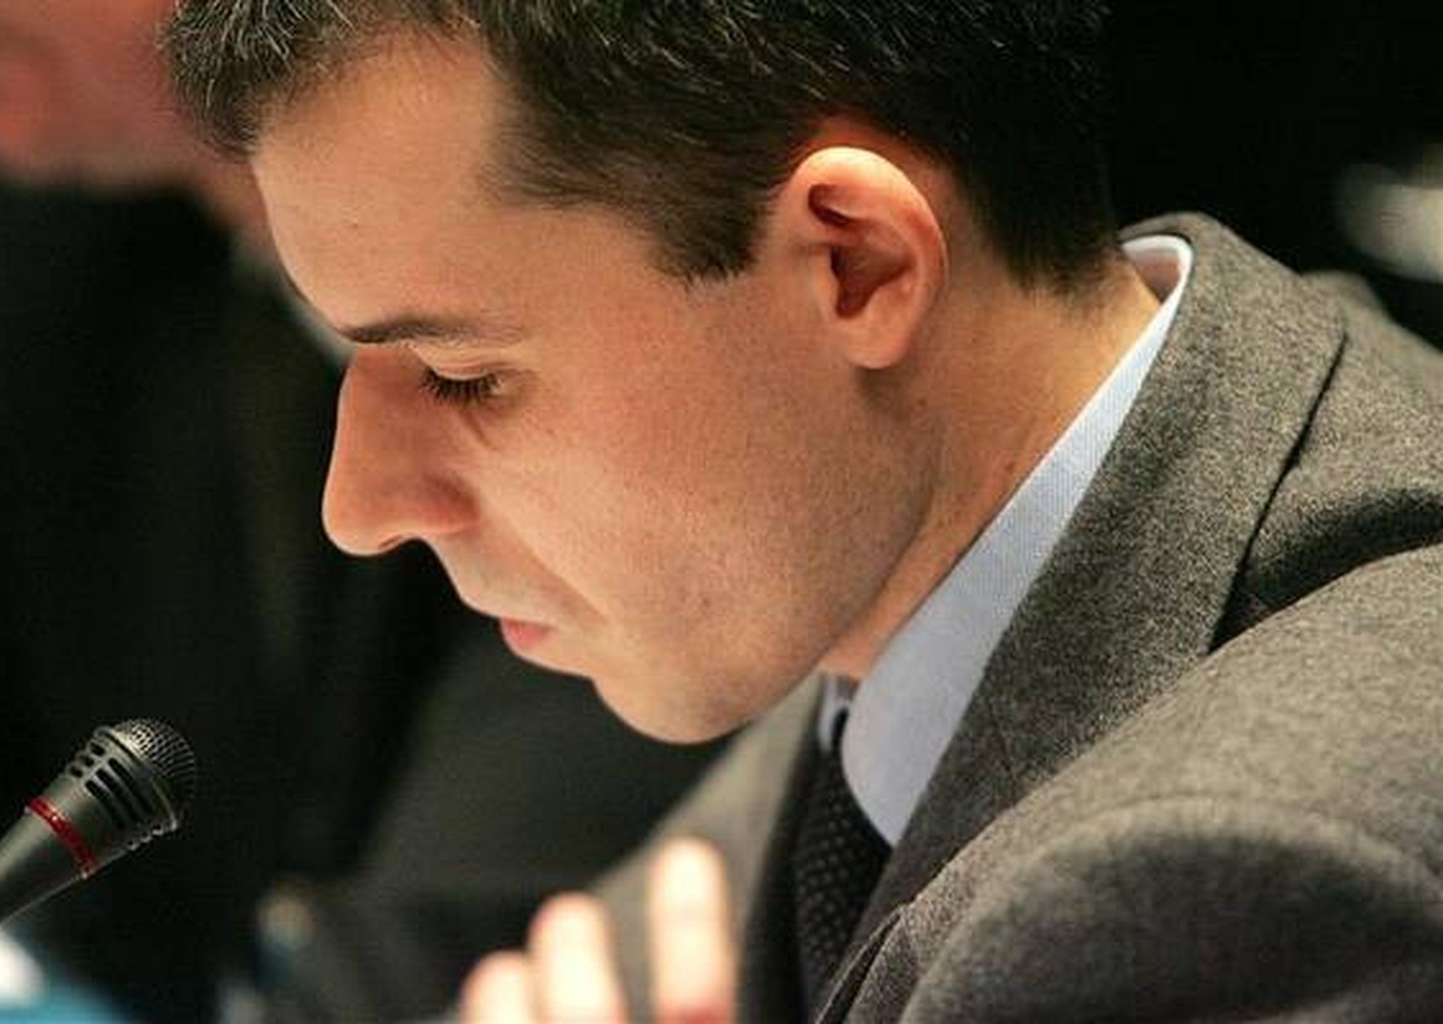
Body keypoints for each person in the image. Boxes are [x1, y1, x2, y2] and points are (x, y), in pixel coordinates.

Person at [163, 2, 1443, 1021]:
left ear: (857, 261)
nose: (361, 506)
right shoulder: (884, 572)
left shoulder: (1227, 881)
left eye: (462, 375)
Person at [0, 1, 718, 1019]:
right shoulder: (81, 233)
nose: (358, 504)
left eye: (456, 375)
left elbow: (466, 931)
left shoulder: (595, 244)